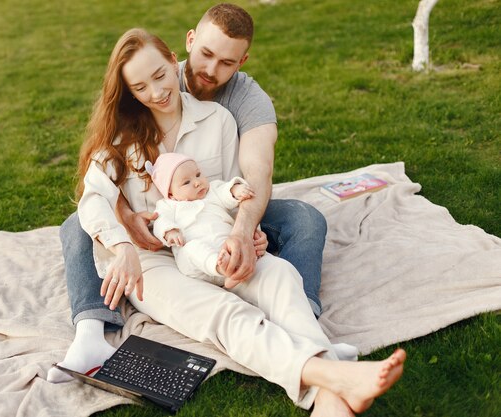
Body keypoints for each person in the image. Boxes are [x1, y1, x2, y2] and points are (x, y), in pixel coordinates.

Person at [48, 27, 406, 416]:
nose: (156, 92)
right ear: (129, 92)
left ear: (173, 62)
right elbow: (93, 200)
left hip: (214, 239)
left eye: (160, 76)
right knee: (223, 312)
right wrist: (121, 248)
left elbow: (234, 190)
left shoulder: (217, 119)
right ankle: (330, 378)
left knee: (281, 277)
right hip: (153, 261)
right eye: (140, 87)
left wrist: (247, 232)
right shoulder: (119, 139)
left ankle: (328, 397)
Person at [55, 4, 327, 380]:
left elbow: (252, 176)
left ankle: (305, 327)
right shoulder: (127, 128)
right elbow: (96, 191)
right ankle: (90, 328)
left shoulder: (230, 112)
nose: (211, 70)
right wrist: (123, 232)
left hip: (210, 229)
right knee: (79, 223)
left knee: (297, 238)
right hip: (155, 252)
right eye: (206, 55)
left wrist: (245, 228)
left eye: (226, 62)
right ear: (187, 47)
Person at [145, 152, 255, 288]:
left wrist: (235, 190)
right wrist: (170, 231)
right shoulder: (168, 205)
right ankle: (221, 268)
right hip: (196, 265)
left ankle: (232, 272)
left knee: (237, 245)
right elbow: (160, 220)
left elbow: (225, 191)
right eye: (186, 182)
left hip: (225, 248)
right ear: (170, 193)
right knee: (192, 248)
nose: (197, 182)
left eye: (198, 175)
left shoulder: (213, 190)